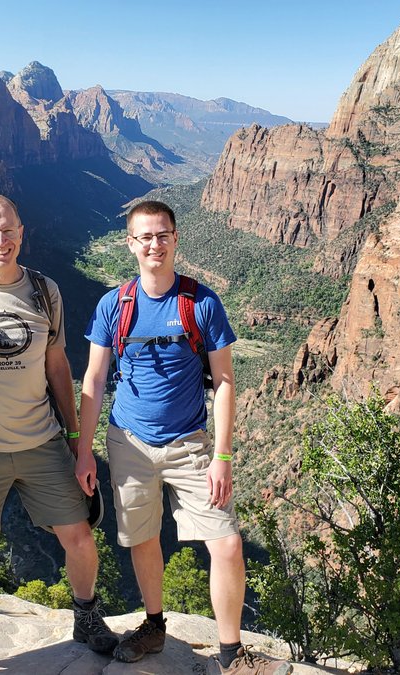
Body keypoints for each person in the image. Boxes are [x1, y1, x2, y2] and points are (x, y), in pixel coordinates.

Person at [77, 201, 292, 674]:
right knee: (142, 538)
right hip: (128, 442)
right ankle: (154, 625)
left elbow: (226, 382)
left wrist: (222, 455)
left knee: (228, 544)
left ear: (176, 238)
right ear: (130, 243)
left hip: (191, 445)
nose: (155, 244)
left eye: (163, 235)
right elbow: (93, 380)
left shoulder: (201, 302)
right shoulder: (114, 304)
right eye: (145, 237)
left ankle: (231, 654)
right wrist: (84, 453)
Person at [0, 193, 118, 673]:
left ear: (21, 231)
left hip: (41, 441)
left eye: (8, 229)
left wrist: (80, 446)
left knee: (77, 534)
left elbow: (58, 365)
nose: (0, 240)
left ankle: (87, 616)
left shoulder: (43, 290)